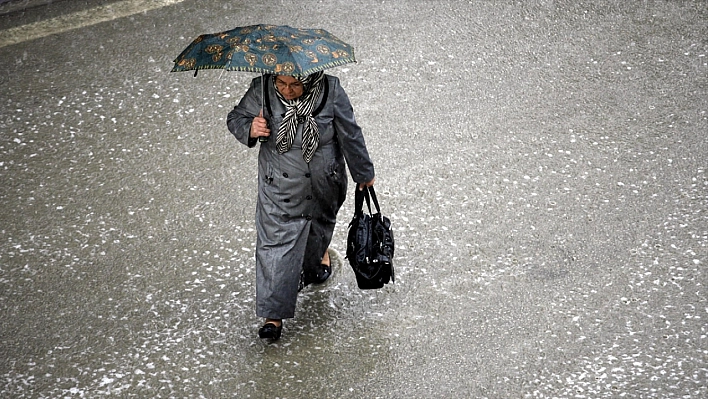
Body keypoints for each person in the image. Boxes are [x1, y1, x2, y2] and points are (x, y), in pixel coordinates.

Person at [227, 71, 375, 341]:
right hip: (278, 186)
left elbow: (350, 132)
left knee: (316, 231)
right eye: (281, 83)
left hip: (323, 182)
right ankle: (273, 317)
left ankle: (317, 262)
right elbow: (236, 118)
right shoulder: (261, 88)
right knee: (275, 244)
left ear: (309, 80)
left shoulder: (330, 89)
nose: (287, 90)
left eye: (295, 85)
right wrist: (250, 128)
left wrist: (363, 174)